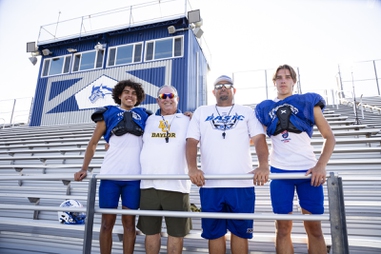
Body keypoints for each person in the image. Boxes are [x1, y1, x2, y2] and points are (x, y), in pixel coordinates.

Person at [255, 64, 336, 254]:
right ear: (274, 82)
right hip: (280, 172)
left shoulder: (307, 101)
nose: (283, 80)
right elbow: (252, 136)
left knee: (314, 228)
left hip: (308, 171)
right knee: (282, 229)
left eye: (287, 76)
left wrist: (321, 165)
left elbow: (329, 137)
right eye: (279, 77)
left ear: (294, 81)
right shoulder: (265, 108)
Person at [186, 75, 270, 254]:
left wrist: (264, 165)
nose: (223, 88)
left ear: (234, 90)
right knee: (215, 234)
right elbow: (191, 141)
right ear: (213, 91)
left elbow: (259, 139)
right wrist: (192, 168)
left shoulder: (247, 111)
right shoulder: (202, 111)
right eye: (219, 85)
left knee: (240, 233)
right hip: (211, 185)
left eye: (227, 85)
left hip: (241, 184)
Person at [74, 79, 151, 254]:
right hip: (110, 177)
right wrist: (84, 168)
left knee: (129, 225)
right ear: (119, 95)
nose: (130, 95)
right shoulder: (108, 113)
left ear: (138, 97)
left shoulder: (145, 115)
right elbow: (93, 143)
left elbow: (165, 121)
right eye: (127, 92)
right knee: (106, 224)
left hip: (134, 179)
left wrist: (185, 115)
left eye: (134, 93)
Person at [137, 85, 192, 254]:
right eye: (163, 95)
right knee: (151, 233)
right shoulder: (148, 119)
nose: (167, 98)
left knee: (176, 234)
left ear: (177, 99)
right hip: (149, 186)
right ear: (157, 100)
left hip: (177, 186)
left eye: (171, 95)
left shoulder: (188, 119)